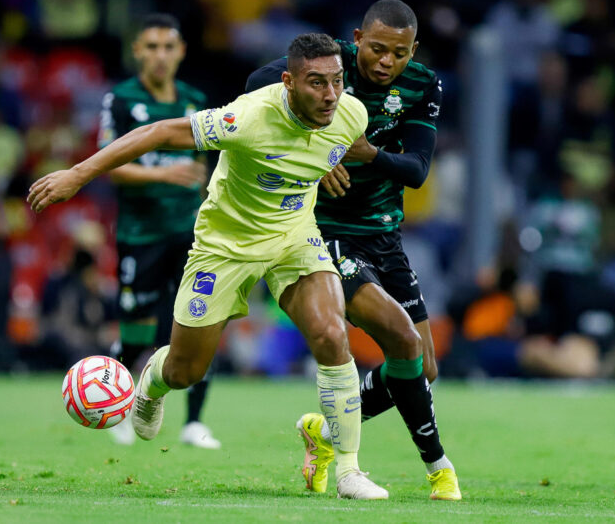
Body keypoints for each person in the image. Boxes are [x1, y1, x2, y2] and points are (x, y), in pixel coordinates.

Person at [28, 33, 388, 500]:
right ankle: (151, 386)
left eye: (337, 81)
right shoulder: (247, 117)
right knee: (185, 371)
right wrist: (77, 174)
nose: (330, 94)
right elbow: (156, 133)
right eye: (317, 83)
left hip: (294, 239)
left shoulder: (349, 113)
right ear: (288, 83)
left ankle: (348, 472)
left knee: (332, 334)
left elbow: (342, 145)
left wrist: (331, 163)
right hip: (224, 247)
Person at [246, 0, 460, 501]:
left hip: (385, 233)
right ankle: (438, 468)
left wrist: (368, 154)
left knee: (422, 367)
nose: (387, 63)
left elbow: (417, 170)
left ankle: (324, 431)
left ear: (414, 51)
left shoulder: (424, 84)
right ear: (358, 38)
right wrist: (315, 156)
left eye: (400, 53)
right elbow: (258, 82)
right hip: (324, 231)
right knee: (402, 340)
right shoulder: (329, 64)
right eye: (379, 49)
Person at [98, 14, 219, 448]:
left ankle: (194, 423)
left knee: (200, 322)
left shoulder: (196, 101)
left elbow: (206, 168)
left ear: (182, 51)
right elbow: (109, 163)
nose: (160, 55)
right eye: (151, 47)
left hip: (193, 235)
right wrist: (165, 176)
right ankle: (115, 408)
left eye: (168, 46)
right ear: (137, 51)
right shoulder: (120, 100)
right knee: (135, 333)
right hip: (140, 233)